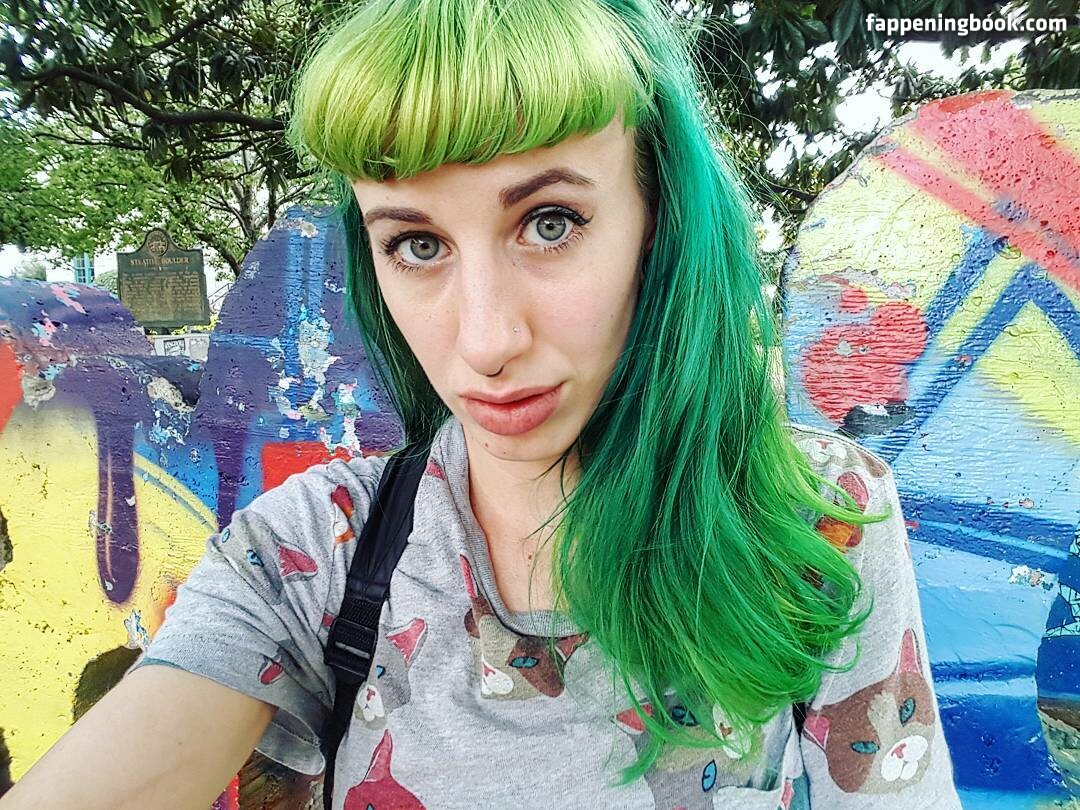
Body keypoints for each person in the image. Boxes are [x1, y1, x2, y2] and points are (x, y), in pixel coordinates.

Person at [2, 0, 962, 808]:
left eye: (550, 222)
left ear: (659, 224)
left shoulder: (812, 517)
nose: (486, 340)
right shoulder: (314, 550)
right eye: (416, 244)